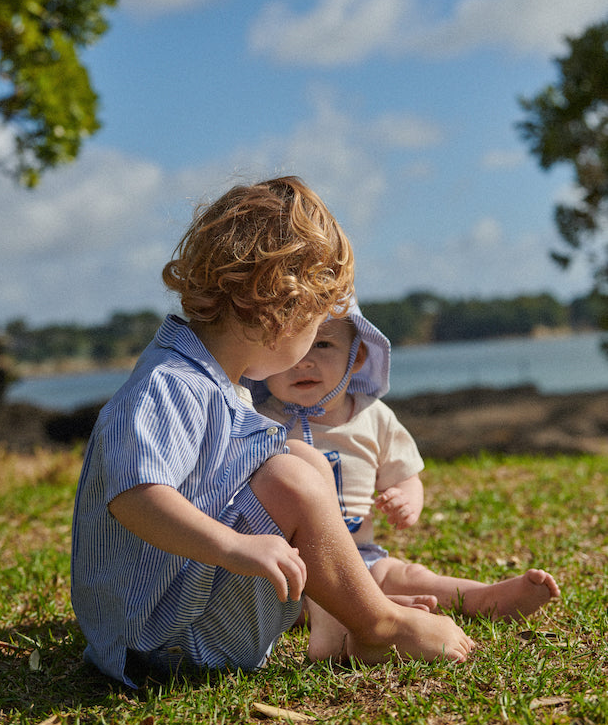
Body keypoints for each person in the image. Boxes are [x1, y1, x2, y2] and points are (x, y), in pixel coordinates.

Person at [70, 176, 474, 688]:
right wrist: (233, 547)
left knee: (301, 460)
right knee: (290, 476)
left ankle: (344, 617)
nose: (311, 347)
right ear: (282, 312)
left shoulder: (219, 382)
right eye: (315, 325)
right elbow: (135, 497)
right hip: (161, 641)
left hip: (177, 614)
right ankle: (379, 625)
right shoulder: (171, 384)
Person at [245, 304, 560, 629]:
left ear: (356, 358)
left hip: (359, 554)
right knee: (290, 600)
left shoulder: (373, 417)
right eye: (287, 344)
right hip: (288, 561)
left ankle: (481, 597)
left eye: (322, 344)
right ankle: (372, 607)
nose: (304, 360)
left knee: (407, 574)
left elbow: (407, 475)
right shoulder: (258, 420)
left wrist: (406, 499)